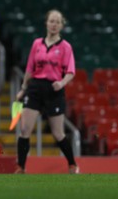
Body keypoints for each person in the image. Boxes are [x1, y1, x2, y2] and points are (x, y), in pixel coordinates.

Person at [14, 9, 79, 174]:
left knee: (58, 133)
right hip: (35, 88)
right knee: (24, 129)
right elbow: (30, 68)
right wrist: (23, 89)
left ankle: (72, 164)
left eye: (58, 22)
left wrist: (62, 83)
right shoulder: (37, 43)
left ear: (62, 25)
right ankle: (21, 167)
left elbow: (70, 71)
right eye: (52, 21)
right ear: (46, 23)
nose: (54, 24)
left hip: (54, 90)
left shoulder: (65, 47)